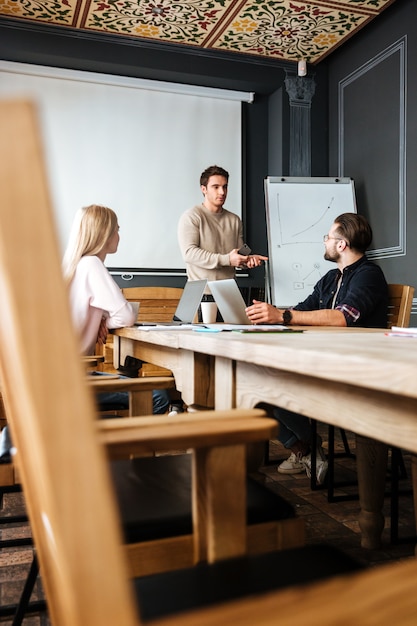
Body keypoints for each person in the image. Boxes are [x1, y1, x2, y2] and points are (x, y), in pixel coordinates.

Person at [245, 212, 388, 484]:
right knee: (255, 380)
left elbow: (343, 317)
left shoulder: (368, 275)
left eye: (328, 238)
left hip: (354, 369)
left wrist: (283, 317)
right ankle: (305, 448)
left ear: (342, 245)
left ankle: (306, 446)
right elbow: (302, 310)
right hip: (323, 358)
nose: (324, 242)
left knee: (268, 384)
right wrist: (270, 314)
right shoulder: (331, 279)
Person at [63, 204, 170, 415]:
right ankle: (128, 446)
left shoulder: (75, 266)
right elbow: (126, 315)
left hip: (63, 377)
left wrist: (102, 319)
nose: (119, 236)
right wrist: (105, 321)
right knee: (159, 396)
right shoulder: (91, 264)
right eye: (117, 230)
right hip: (71, 382)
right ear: (104, 234)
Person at [178, 165, 268, 285]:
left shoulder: (234, 219)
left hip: (228, 290)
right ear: (203, 189)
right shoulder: (192, 216)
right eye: (216, 187)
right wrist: (227, 259)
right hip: (201, 292)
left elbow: (239, 254)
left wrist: (247, 260)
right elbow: (189, 254)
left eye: (225, 187)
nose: (222, 192)